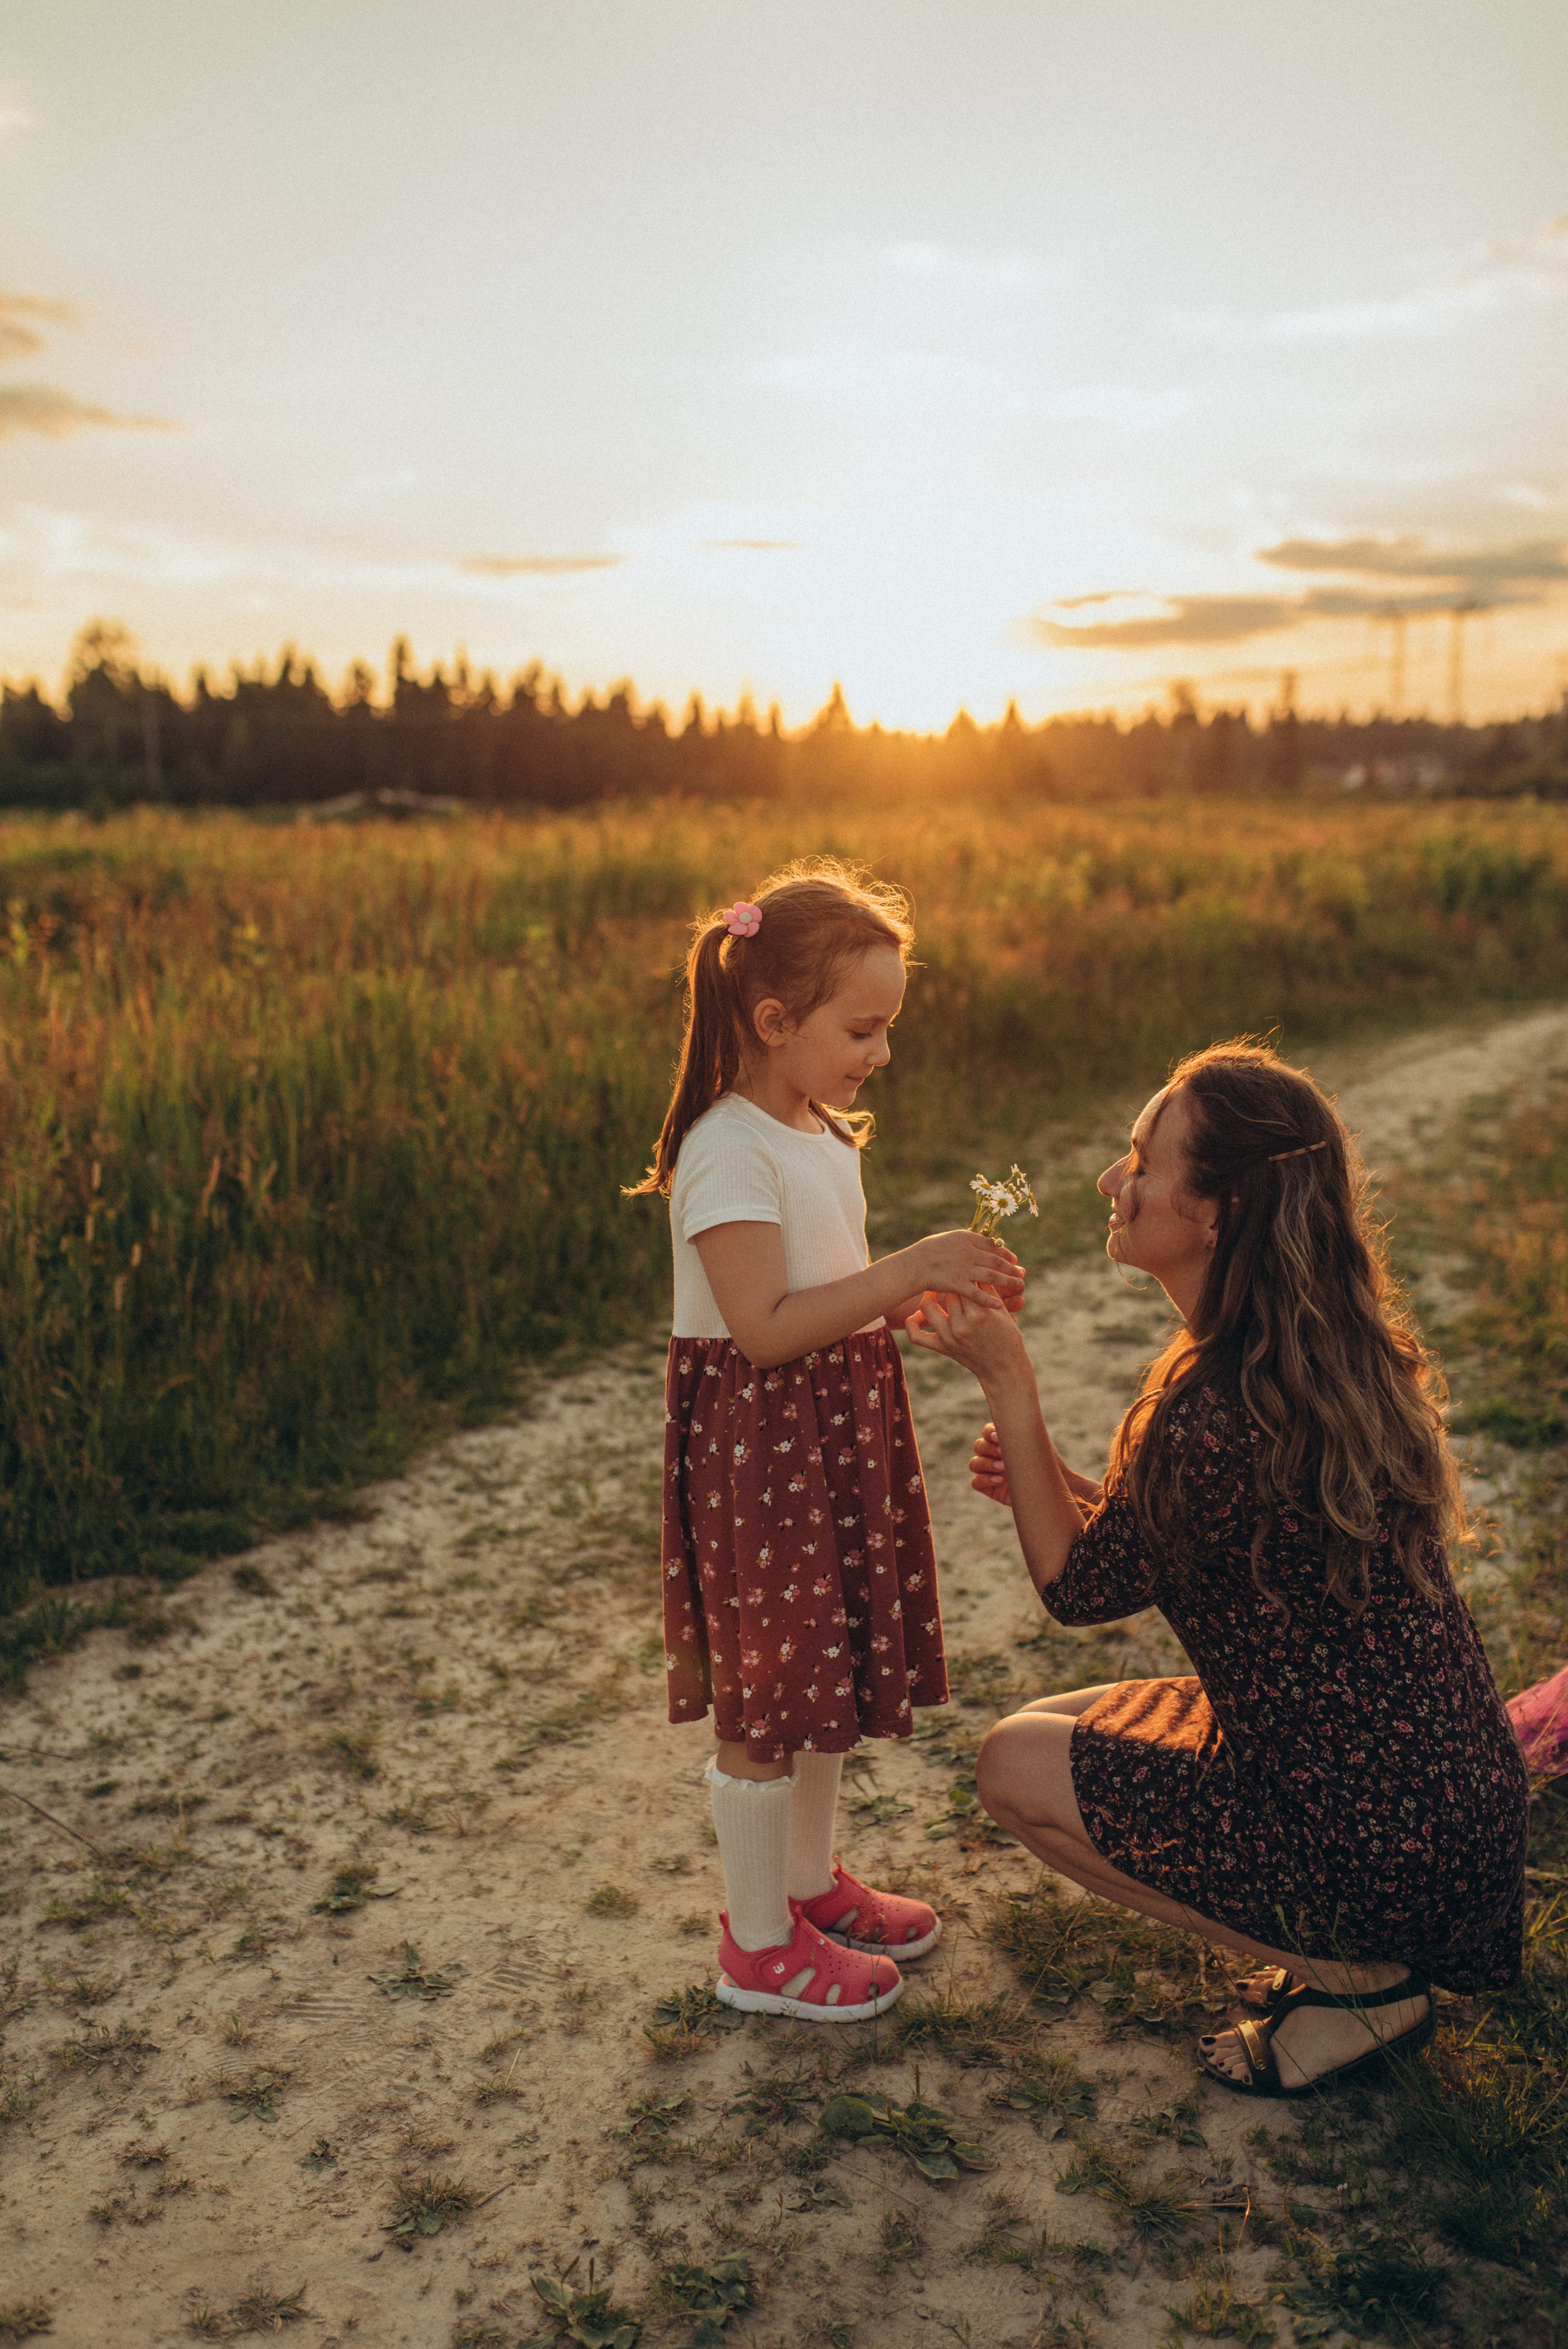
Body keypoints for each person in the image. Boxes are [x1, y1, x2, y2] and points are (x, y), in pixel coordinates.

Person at [907, 1040, 1529, 2097]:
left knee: (1014, 1767)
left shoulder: (1212, 1410)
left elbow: (1075, 1590)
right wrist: (1061, 1482)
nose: (1115, 1179)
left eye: (1142, 1160)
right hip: (1443, 1808)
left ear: (1218, 1210)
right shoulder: (1313, 1350)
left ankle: (1361, 1981)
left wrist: (1008, 1383)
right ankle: (1356, 1954)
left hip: (1369, 1829)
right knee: (1068, 1723)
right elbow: (1221, 1542)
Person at [630, 860, 1023, 2022]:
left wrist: (910, 1301)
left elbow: (821, 1291)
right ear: (772, 1020)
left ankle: (807, 1887)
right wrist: (904, 1266)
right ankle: (756, 1947)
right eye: (865, 1027)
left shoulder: (814, 1126)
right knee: (765, 1696)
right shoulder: (725, 1148)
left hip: (831, 1428)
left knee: (821, 1673)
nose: (881, 1054)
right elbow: (758, 1332)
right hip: (764, 1453)